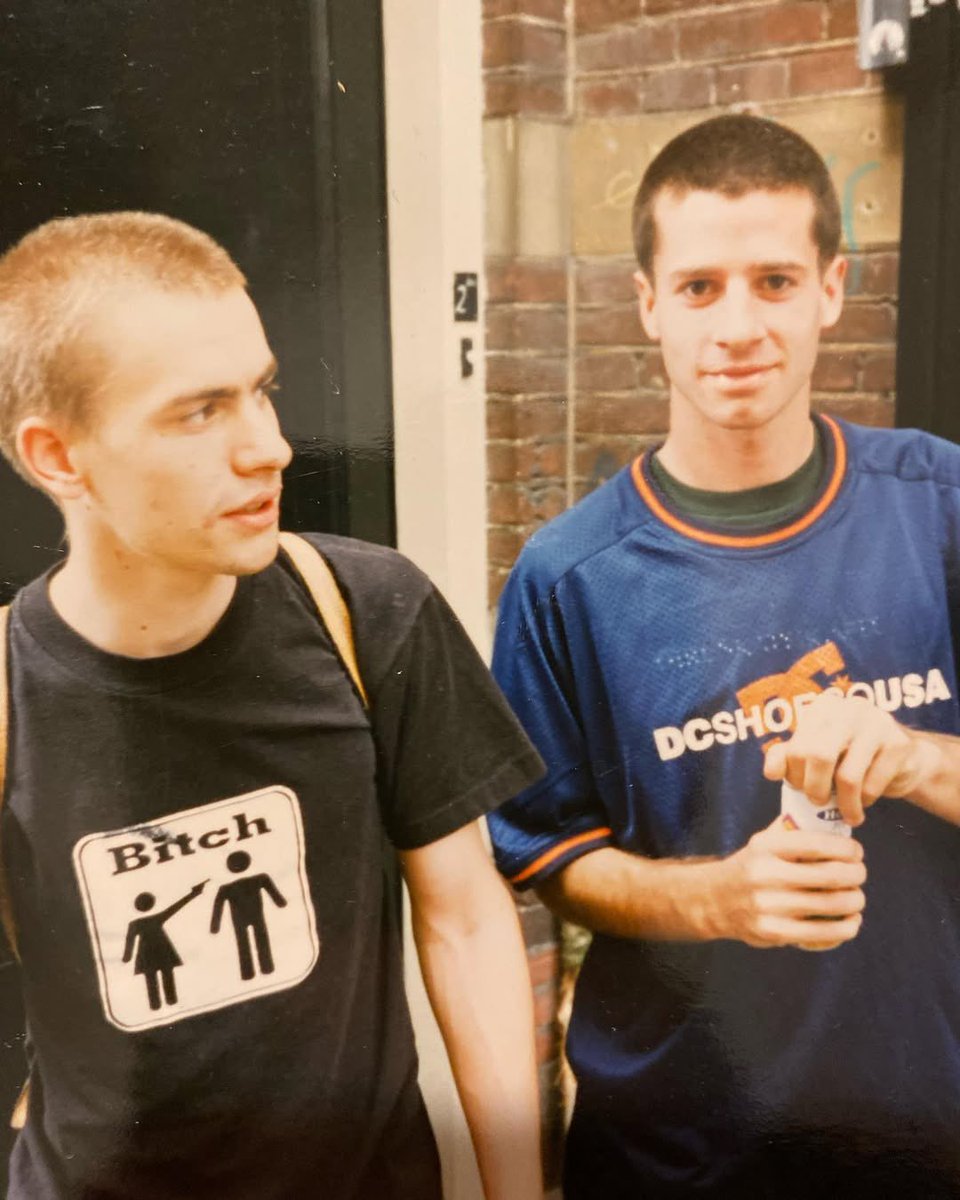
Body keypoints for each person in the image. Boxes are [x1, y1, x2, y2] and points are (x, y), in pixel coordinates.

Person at [0, 211, 546, 1200]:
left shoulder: (370, 614)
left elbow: (465, 918)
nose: (272, 448)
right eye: (200, 412)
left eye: (261, 391)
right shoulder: (9, 695)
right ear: (57, 457)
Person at [489, 113, 960, 1199]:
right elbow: (549, 857)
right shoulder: (570, 577)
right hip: (678, 1146)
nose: (738, 326)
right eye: (699, 287)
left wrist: (914, 757)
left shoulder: (935, 505)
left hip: (927, 1120)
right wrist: (722, 898)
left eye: (776, 282)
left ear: (832, 288)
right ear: (647, 303)